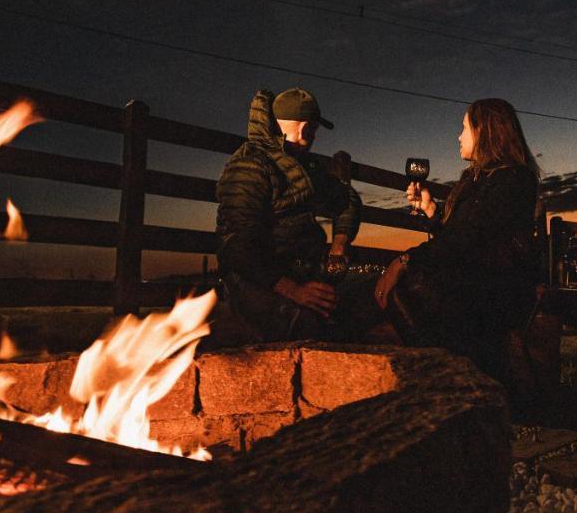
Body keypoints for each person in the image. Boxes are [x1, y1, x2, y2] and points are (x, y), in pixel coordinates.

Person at [374, 98, 540, 384]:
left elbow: (467, 240)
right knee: (393, 292)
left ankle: (450, 376)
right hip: (471, 279)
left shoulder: (514, 179)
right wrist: (431, 211)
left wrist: (404, 260)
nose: (458, 136)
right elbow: (460, 235)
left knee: (407, 286)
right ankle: (442, 372)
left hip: (495, 286)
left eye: (464, 128)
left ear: (484, 131)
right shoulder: (476, 179)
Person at [213, 87, 362, 342]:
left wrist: (339, 243)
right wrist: (293, 290)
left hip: (303, 273)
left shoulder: (304, 166)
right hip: (257, 280)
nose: (314, 138)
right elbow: (237, 244)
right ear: (305, 129)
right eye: (314, 131)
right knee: (309, 326)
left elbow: (347, 199)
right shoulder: (250, 164)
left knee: (362, 307)